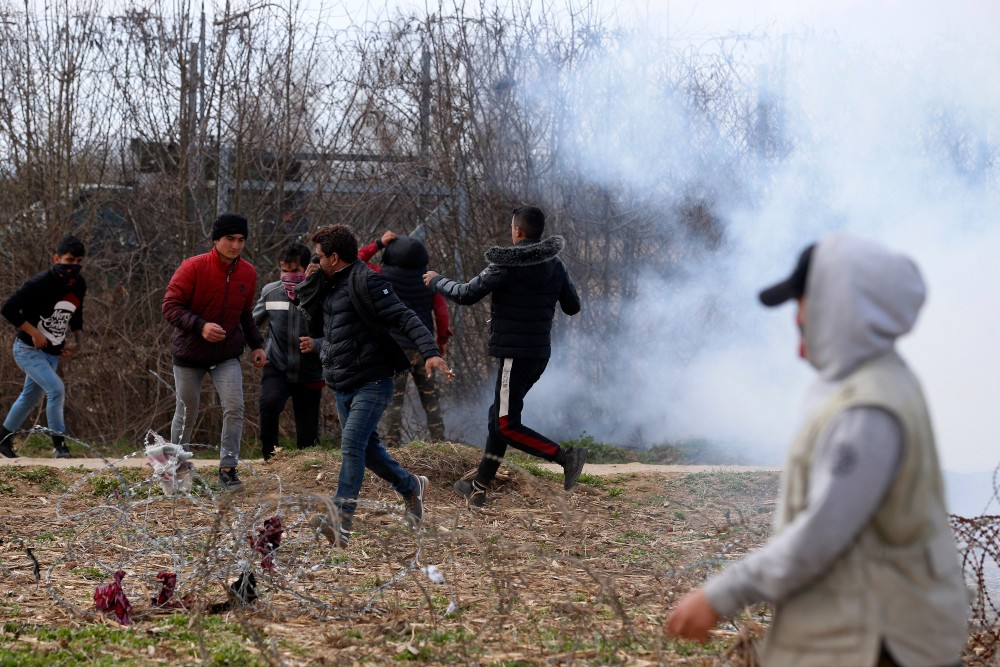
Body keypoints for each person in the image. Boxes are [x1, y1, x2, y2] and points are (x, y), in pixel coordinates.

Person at [666, 234, 968, 667]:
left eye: (804, 302)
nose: (798, 317)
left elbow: (820, 536)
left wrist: (720, 595)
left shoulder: (866, 409)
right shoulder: (878, 378)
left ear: (839, 307)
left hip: (882, 644)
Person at [423, 205, 586, 506]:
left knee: (506, 425)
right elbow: (573, 306)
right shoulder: (556, 264)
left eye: (512, 228)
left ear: (518, 232)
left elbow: (465, 293)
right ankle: (479, 486)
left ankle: (565, 457)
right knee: (498, 417)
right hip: (539, 355)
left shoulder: (505, 264)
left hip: (514, 355)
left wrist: (436, 280)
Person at [300, 224, 451, 548]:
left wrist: (430, 352)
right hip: (343, 382)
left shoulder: (368, 280)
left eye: (320, 257)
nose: (316, 261)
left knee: (352, 444)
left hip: (373, 380)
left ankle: (340, 520)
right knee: (369, 451)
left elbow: (406, 316)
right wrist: (316, 344)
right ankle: (411, 486)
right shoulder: (328, 285)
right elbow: (336, 332)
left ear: (335, 257)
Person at [162, 213, 266, 491]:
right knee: (187, 409)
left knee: (235, 407)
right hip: (189, 353)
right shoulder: (192, 267)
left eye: (241, 240)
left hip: (226, 354)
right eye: (230, 239)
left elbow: (246, 314)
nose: (235, 245)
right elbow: (170, 306)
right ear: (216, 239)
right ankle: (177, 468)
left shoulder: (248, 272)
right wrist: (200, 326)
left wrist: (257, 345)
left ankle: (228, 469)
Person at [358, 230, 451, 445]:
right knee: (431, 400)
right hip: (424, 348)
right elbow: (442, 314)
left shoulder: (380, 276)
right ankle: (439, 443)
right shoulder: (430, 281)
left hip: (395, 350)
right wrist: (440, 344)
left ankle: (392, 445)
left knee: (393, 401)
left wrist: (378, 243)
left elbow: (355, 261)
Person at [0, 235, 87, 459]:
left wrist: (78, 342)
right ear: (56, 258)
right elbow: (8, 308)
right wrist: (34, 332)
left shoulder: (79, 284)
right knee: (56, 389)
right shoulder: (39, 283)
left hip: (52, 353)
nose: (74, 266)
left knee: (28, 397)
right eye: (69, 260)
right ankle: (60, 446)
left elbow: (76, 314)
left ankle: (2, 439)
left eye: (78, 261)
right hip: (27, 350)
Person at [252, 242, 324, 461]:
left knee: (308, 430)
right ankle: (270, 458)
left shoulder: (321, 293)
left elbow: (336, 331)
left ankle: (306, 465)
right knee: (269, 404)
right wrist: (254, 345)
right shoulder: (271, 292)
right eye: (285, 271)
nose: (289, 276)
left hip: (310, 369)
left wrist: (316, 344)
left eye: (295, 271)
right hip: (277, 364)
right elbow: (251, 324)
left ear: (307, 269)